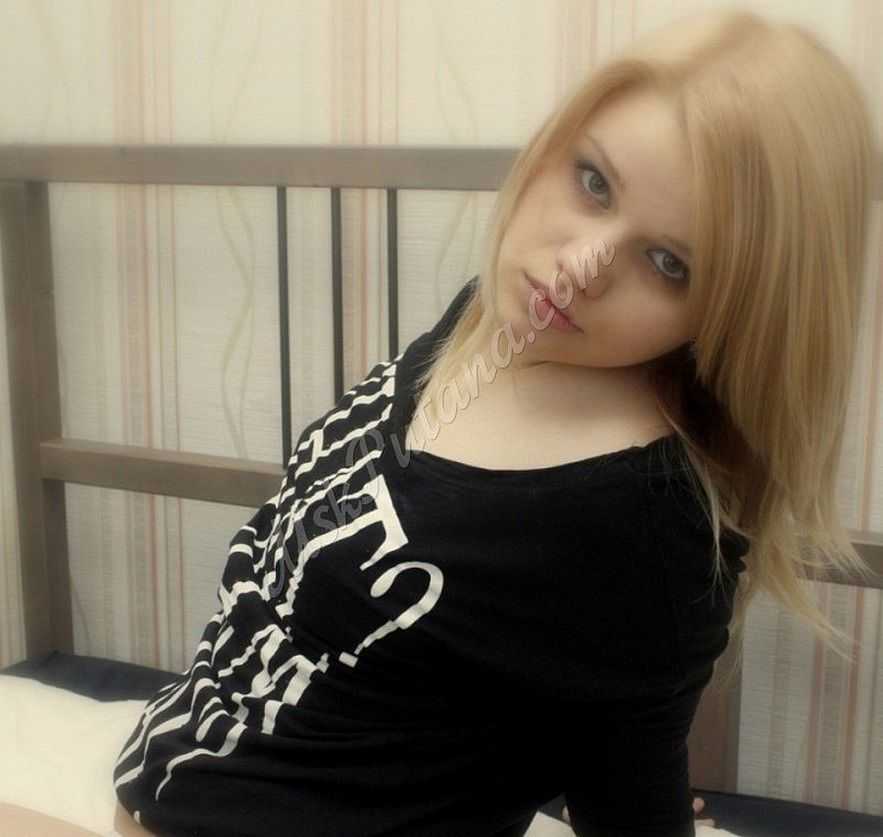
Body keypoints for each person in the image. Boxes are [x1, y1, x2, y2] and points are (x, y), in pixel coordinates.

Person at [110, 7, 877, 837]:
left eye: (668, 263)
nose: (577, 268)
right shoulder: (496, 320)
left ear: (737, 310)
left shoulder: (645, 527)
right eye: (593, 181)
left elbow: (629, 768)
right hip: (174, 773)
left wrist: (626, 777)